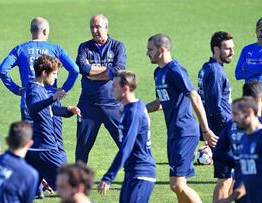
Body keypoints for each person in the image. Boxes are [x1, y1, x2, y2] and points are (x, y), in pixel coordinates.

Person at [146, 33, 217, 203]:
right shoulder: (158, 72)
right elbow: (159, 102)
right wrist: (136, 109)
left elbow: (195, 97)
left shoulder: (175, 70)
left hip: (185, 132)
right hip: (173, 133)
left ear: (161, 50)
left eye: (150, 49)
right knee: (178, 186)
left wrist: (205, 129)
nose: (147, 53)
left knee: (177, 184)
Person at [0, 16, 79, 123]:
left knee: (29, 139)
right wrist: (64, 89)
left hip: (29, 101)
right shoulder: (56, 49)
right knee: (52, 139)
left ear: (31, 30)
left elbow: (2, 70)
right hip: (51, 101)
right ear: (45, 31)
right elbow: (75, 69)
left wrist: (16, 89)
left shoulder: (20, 49)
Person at [98, 70, 156, 203]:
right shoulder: (134, 107)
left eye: (114, 86)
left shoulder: (133, 112)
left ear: (125, 89)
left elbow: (126, 147)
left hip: (141, 174)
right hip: (132, 173)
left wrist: (108, 177)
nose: (111, 89)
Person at [75, 13, 126, 163]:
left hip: (113, 104)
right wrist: (107, 71)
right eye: (92, 27)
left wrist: (94, 73)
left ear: (106, 27)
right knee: (82, 148)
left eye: (98, 27)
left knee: (126, 144)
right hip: (88, 105)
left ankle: (135, 176)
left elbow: (119, 69)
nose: (95, 30)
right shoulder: (84, 47)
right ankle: (79, 182)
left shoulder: (117, 46)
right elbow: (84, 69)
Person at [25, 55, 81, 191]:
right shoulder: (34, 90)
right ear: (44, 73)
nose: (55, 77)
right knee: (72, 185)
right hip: (46, 148)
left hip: (35, 148)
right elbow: (33, 107)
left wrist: (68, 110)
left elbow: (49, 109)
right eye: (54, 74)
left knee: (27, 191)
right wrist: (53, 98)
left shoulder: (41, 90)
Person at [213, 80, 262, 203]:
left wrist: (238, 163)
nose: (233, 119)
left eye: (235, 114)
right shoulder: (257, 133)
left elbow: (217, 153)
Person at [197, 31, 235, 202]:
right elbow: (214, 106)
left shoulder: (208, 67)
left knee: (230, 177)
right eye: (227, 49)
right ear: (216, 49)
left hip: (219, 129)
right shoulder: (215, 71)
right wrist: (227, 127)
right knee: (224, 178)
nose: (232, 52)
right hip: (222, 131)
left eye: (232, 48)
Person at [231, 96, 262, 202]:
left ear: (249, 112)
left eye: (236, 114)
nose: (233, 119)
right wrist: (227, 199)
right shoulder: (245, 138)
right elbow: (248, 178)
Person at [235, 16, 262, 130]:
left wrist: (247, 66)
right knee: (247, 129)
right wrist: (258, 68)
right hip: (249, 96)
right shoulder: (247, 49)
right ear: (256, 31)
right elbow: (238, 74)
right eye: (260, 30)